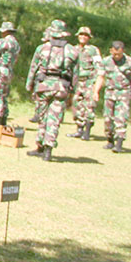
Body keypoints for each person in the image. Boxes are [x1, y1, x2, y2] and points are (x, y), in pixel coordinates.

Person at [25, 20, 78, 161]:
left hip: (43, 86)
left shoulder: (42, 48)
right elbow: (75, 74)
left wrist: (29, 85)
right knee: (54, 119)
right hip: (61, 87)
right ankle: (48, 150)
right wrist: (72, 92)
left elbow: (33, 68)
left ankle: (40, 146)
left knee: (42, 117)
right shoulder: (72, 50)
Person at [93, 41, 131, 153]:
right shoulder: (105, 61)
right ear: (111, 51)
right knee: (108, 118)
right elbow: (100, 77)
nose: (116, 56)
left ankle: (119, 143)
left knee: (121, 117)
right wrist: (96, 91)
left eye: (119, 54)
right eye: (114, 54)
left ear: (123, 51)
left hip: (124, 92)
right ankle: (110, 140)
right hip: (110, 92)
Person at [67, 27, 102, 140]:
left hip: (88, 81)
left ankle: (87, 131)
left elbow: (99, 67)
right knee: (76, 105)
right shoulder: (73, 49)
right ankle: (79, 129)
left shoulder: (93, 50)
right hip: (77, 82)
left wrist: (96, 84)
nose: (83, 37)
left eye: (85, 35)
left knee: (89, 106)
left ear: (89, 37)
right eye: (81, 35)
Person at [26, 28, 52, 123]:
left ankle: (38, 114)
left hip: (42, 76)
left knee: (39, 97)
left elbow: (33, 66)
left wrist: (29, 82)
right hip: (52, 79)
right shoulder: (63, 49)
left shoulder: (41, 48)